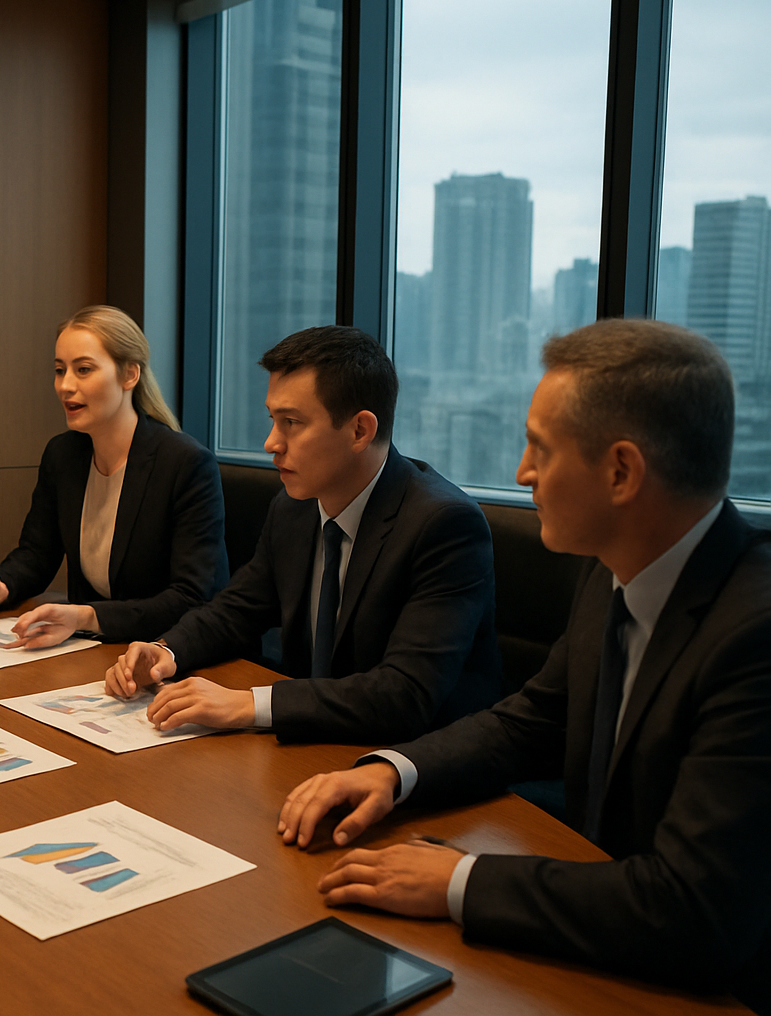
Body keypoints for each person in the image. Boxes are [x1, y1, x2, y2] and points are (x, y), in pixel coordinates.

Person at [277, 320, 771, 1010]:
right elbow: (533, 718)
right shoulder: (612, 571)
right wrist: (396, 771)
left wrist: (458, 883)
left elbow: (692, 911)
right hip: (595, 946)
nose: (521, 472)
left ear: (622, 471)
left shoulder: (755, 634)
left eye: (540, 447)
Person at [105, 325, 500, 743]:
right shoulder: (294, 506)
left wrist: (247, 704)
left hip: (416, 765)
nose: (271, 442)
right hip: (314, 745)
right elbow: (238, 610)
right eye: (273, 419)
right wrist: (166, 651)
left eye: (291, 422)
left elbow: (404, 694)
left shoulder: (443, 525)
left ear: (359, 431)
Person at [0, 305, 227, 647]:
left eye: (83, 370)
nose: (65, 385)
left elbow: (190, 599)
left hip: (175, 653)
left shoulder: (186, 464)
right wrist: (0, 588)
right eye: (59, 370)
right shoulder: (63, 455)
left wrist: (86, 616)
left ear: (129, 375)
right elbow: (37, 553)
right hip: (97, 648)